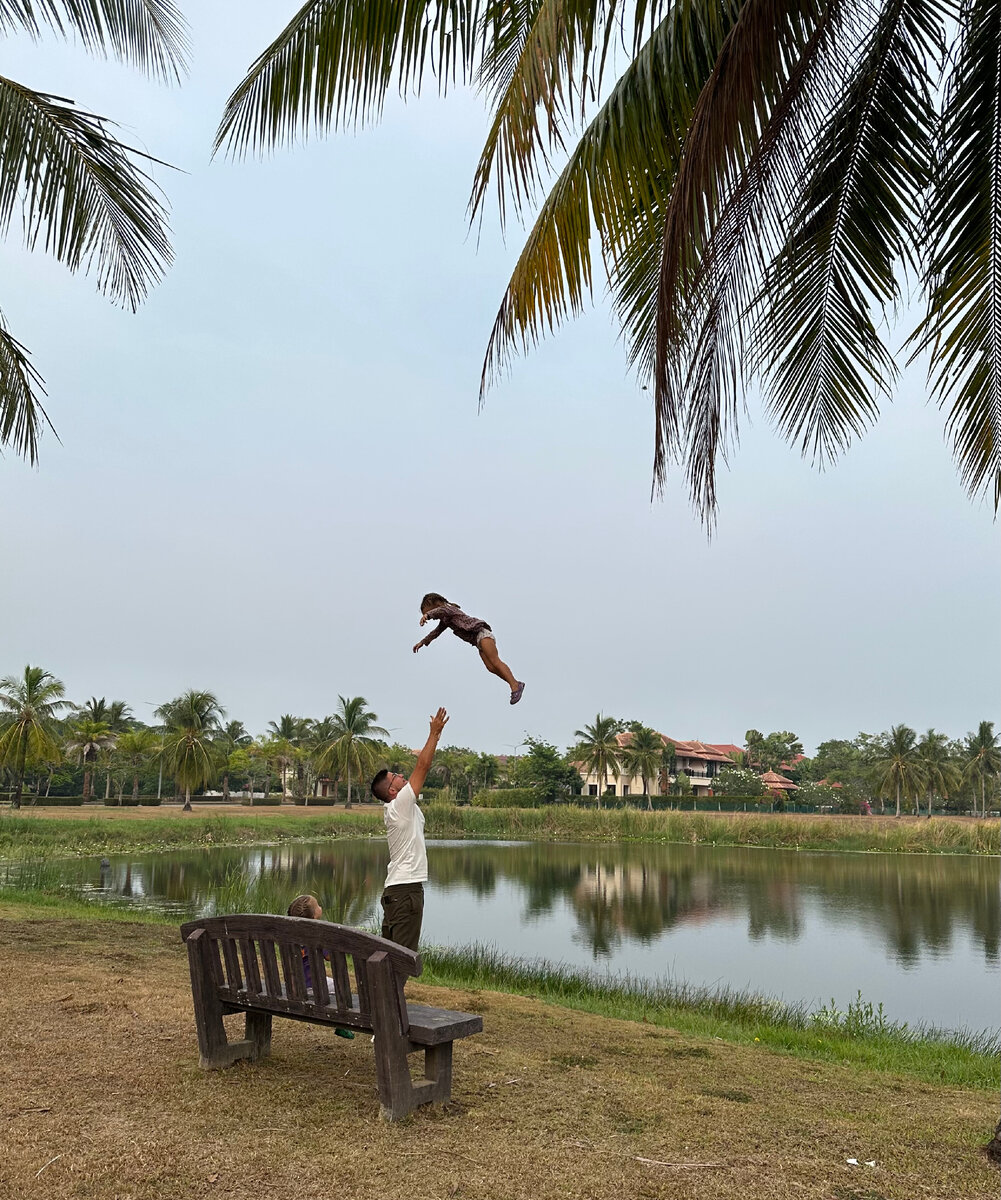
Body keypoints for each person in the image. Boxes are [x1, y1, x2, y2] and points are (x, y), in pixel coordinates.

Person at [369, 706, 448, 951]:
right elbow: (423, 769)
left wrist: (423, 752)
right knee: (402, 957)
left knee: (389, 954)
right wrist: (434, 734)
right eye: (396, 777)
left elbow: (420, 768)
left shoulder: (398, 808)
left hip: (397, 889)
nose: (402, 776)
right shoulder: (400, 804)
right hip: (406, 891)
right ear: (392, 791)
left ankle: (383, 990)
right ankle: (393, 990)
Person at [413, 592, 525, 705]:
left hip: (482, 634)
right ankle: (515, 683)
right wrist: (423, 642)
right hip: (477, 642)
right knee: (490, 667)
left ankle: (514, 686)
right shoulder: (445, 619)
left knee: (495, 661)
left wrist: (427, 615)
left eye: (428, 612)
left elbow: (441, 611)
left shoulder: (449, 609)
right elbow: (436, 632)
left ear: (434, 604)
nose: (431, 618)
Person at [286, 893, 354, 1038]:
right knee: (340, 987)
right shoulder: (317, 934)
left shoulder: (290, 935)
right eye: (317, 906)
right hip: (314, 988)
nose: (320, 907)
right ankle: (341, 1024)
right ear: (314, 917)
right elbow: (330, 957)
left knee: (331, 984)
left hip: (294, 987)